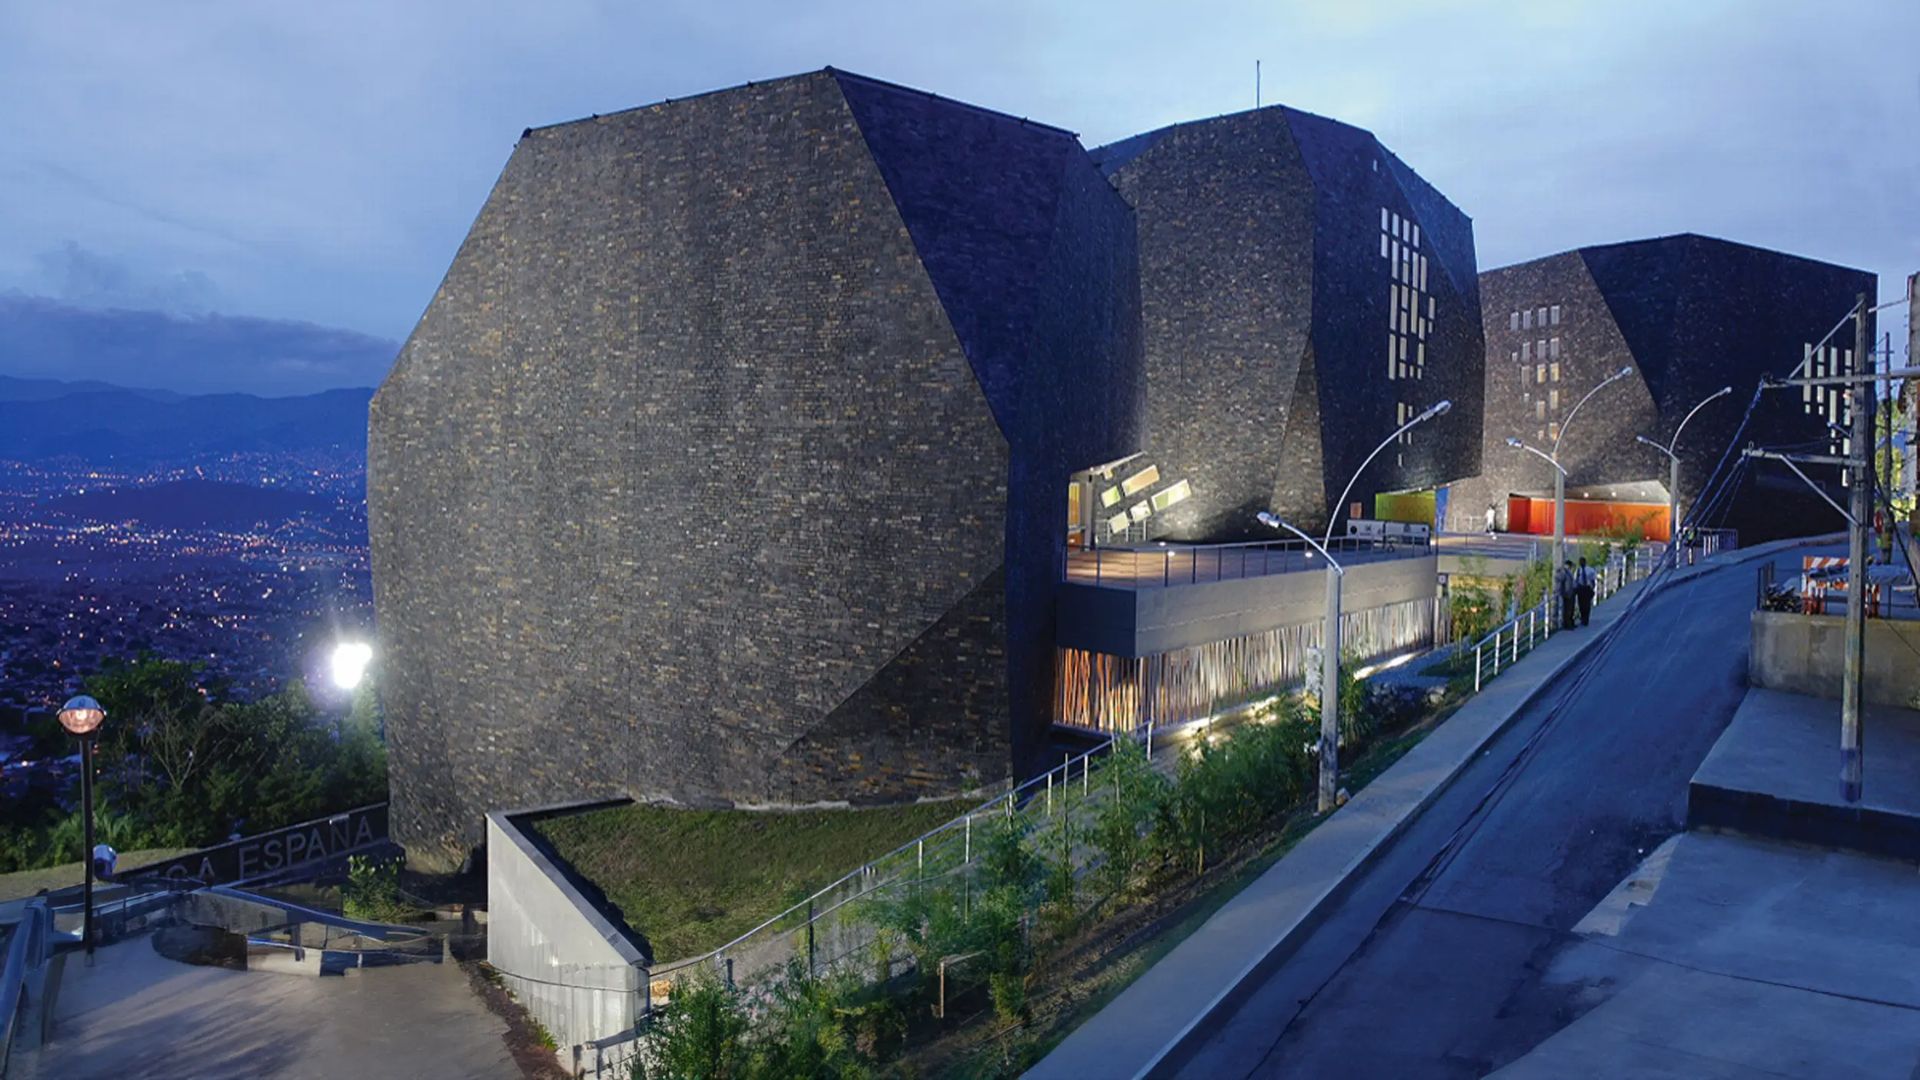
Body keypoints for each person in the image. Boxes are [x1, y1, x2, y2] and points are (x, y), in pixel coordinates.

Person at [1575, 556, 1597, 627]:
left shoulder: (1590, 570)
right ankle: (1582, 617)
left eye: (1582, 562)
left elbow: (1593, 580)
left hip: (1587, 588)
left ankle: (1586, 619)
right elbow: (1576, 580)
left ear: (1585, 562)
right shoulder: (1578, 570)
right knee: (1581, 604)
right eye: (1580, 562)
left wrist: (1592, 588)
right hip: (1581, 588)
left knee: (1587, 604)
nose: (1581, 563)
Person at [1555, 560, 1576, 629]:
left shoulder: (1569, 572)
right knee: (1567, 610)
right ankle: (1567, 624)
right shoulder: (1563, 572)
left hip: (1570, 592)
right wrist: (1560, 591)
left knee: (1570, 609)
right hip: (1566, 593)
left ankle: (1570, 623)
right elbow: (1559, 581)